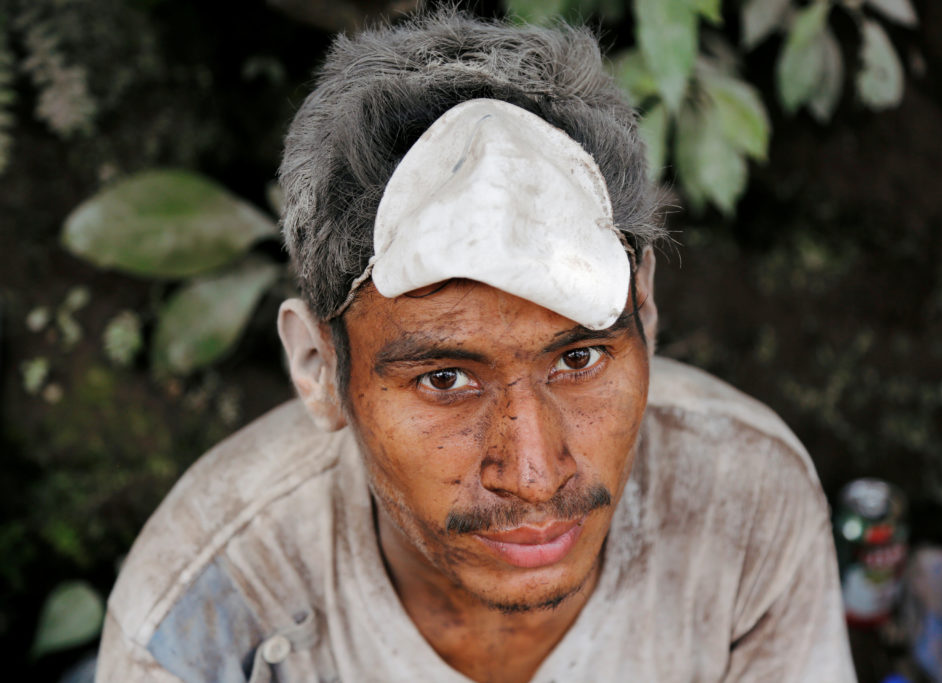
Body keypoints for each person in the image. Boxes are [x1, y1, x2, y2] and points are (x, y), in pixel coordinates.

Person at [97, 10, 856, 682]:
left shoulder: (747, 503)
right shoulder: (203, 613)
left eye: (579, 358)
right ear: (320, 368)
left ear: (645, 310)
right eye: (445, 377)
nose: (531, 473)